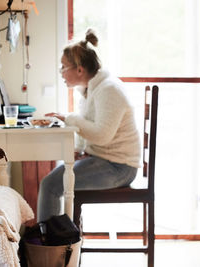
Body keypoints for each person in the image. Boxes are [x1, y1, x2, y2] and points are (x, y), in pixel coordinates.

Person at [37, 29, 141, 222]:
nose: (61, 73)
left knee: (51, 185)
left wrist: (69, 118)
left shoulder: (109, 90)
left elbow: (102, 135)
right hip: (106, 160)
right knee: (55, 179)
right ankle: (61, 237)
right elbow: (92, 128)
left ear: (79, 69)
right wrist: (79, 149)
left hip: (120, 168)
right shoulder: (92, 89)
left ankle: (49, 245)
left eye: (63, 67)